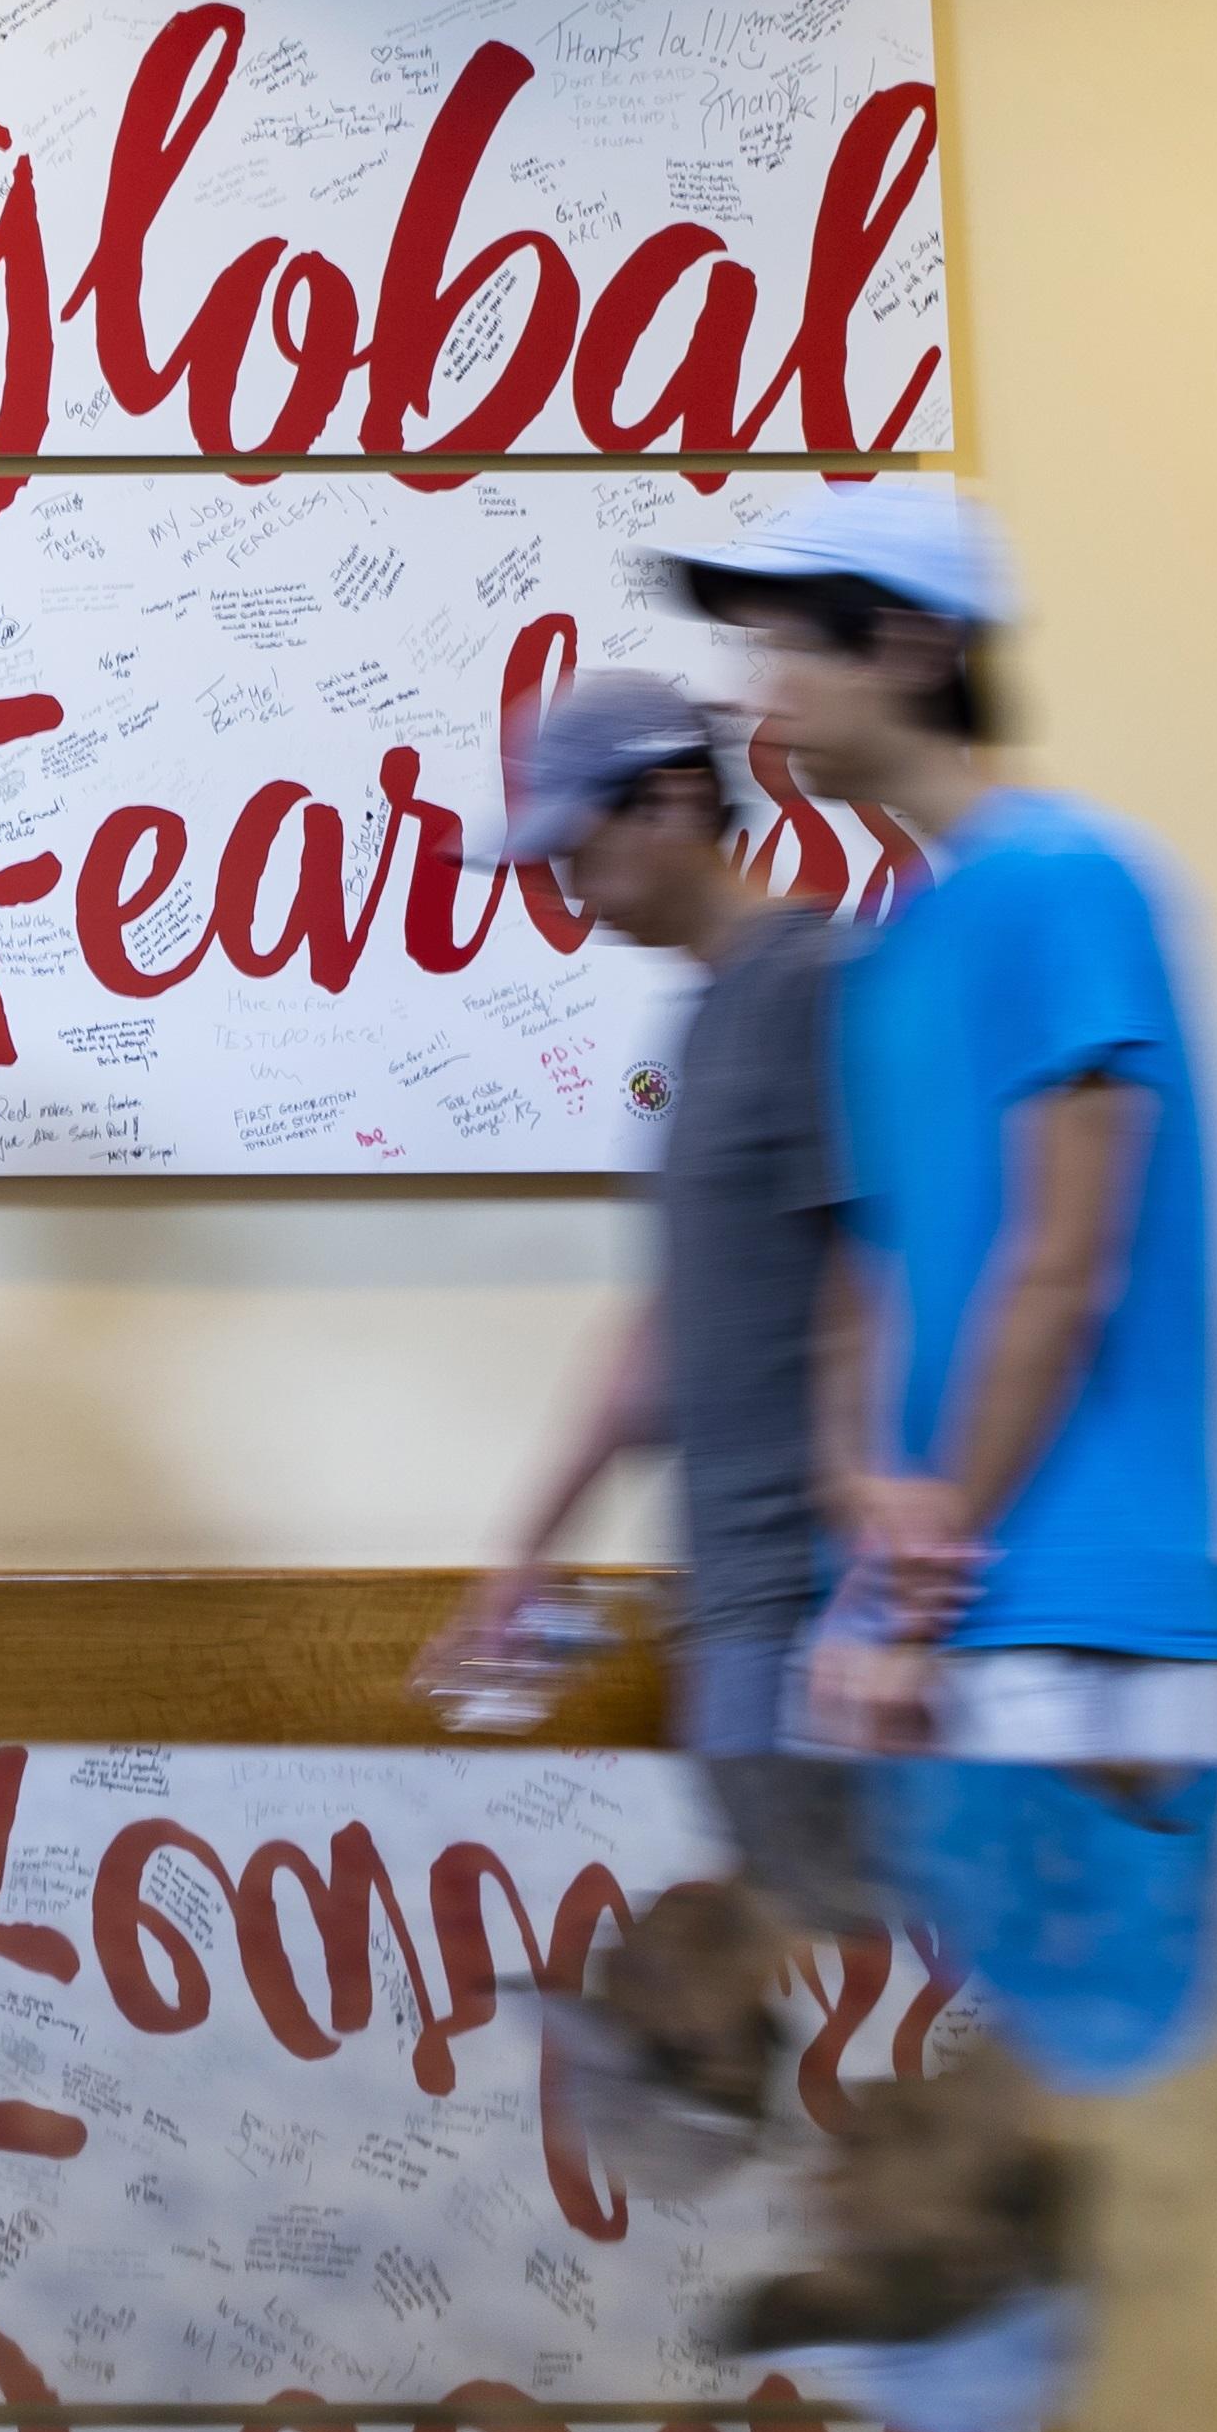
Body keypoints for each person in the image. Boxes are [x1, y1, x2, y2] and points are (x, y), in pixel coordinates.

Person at [680, 479, 1217, 1766]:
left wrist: (934, 1545)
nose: (754, 694)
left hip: (1096, 1627)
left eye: (782, 646)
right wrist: (866, 1509)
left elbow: (1067, 1262)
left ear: (910, 646)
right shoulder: (890, 955)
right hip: (936, 1618)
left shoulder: (1069, 879)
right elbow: (867, 1282)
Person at [424, 670, 866, 1924]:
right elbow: (669, 1328)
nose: (564, 887)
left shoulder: (814, 986)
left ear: (673, 801)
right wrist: (528, 1554)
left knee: (834, 1961)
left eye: (578, 846)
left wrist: (872, 1594)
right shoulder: (704, 1022)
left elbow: (872, 1295)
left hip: (811, 1609)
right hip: (735, 1604)